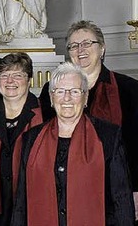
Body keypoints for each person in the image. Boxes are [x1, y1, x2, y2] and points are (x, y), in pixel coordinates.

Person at [11, 62, 134, 225]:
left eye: (75, 91)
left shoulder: (108, 136)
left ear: (85, 97)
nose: (67, 98)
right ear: (51, 98)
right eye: (60, 91)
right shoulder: (31, 138)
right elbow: (21, 202)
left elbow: (121, 200)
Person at [39, 20, 138, 217]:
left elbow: (136, 143)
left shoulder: (130, 89)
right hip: (67, 186)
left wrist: (136, 188)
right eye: (73, 46)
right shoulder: (52, 90)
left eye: (87, 43)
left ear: (102, 48)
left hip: (117, 185)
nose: (80, 50)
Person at [0, 53, 44, 226]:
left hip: (34, 208)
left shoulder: (47, 116)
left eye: (18, 75)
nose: (10, 81)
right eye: (4, 75)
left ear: (29, 80)